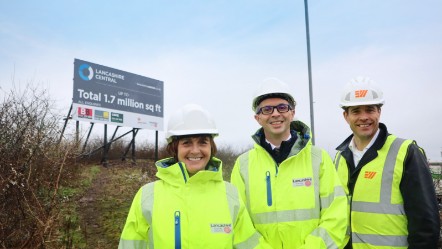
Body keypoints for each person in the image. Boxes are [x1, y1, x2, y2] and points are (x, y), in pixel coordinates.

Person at [119, 104, 272, 249]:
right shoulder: (148, 196)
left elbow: (250, 244)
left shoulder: (230, 195)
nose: (195, 150)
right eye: (186, 143)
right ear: (175, 148)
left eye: (202, 142)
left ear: (211, 147)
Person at [230, 78, 348, 249]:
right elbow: (239, 222)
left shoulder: (319, 159)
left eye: (282, 107)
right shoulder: (243, 165)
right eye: (267, 109)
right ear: (258, 118)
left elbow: (336, 215)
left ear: (292, 113)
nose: (275, 114)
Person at [334, 76, 440, 249]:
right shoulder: (340, 158)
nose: (364, 117)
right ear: (346, 116)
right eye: (356, 111)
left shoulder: (406, 152)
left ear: (379, 112)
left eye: (370, 110)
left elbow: (425, 223)